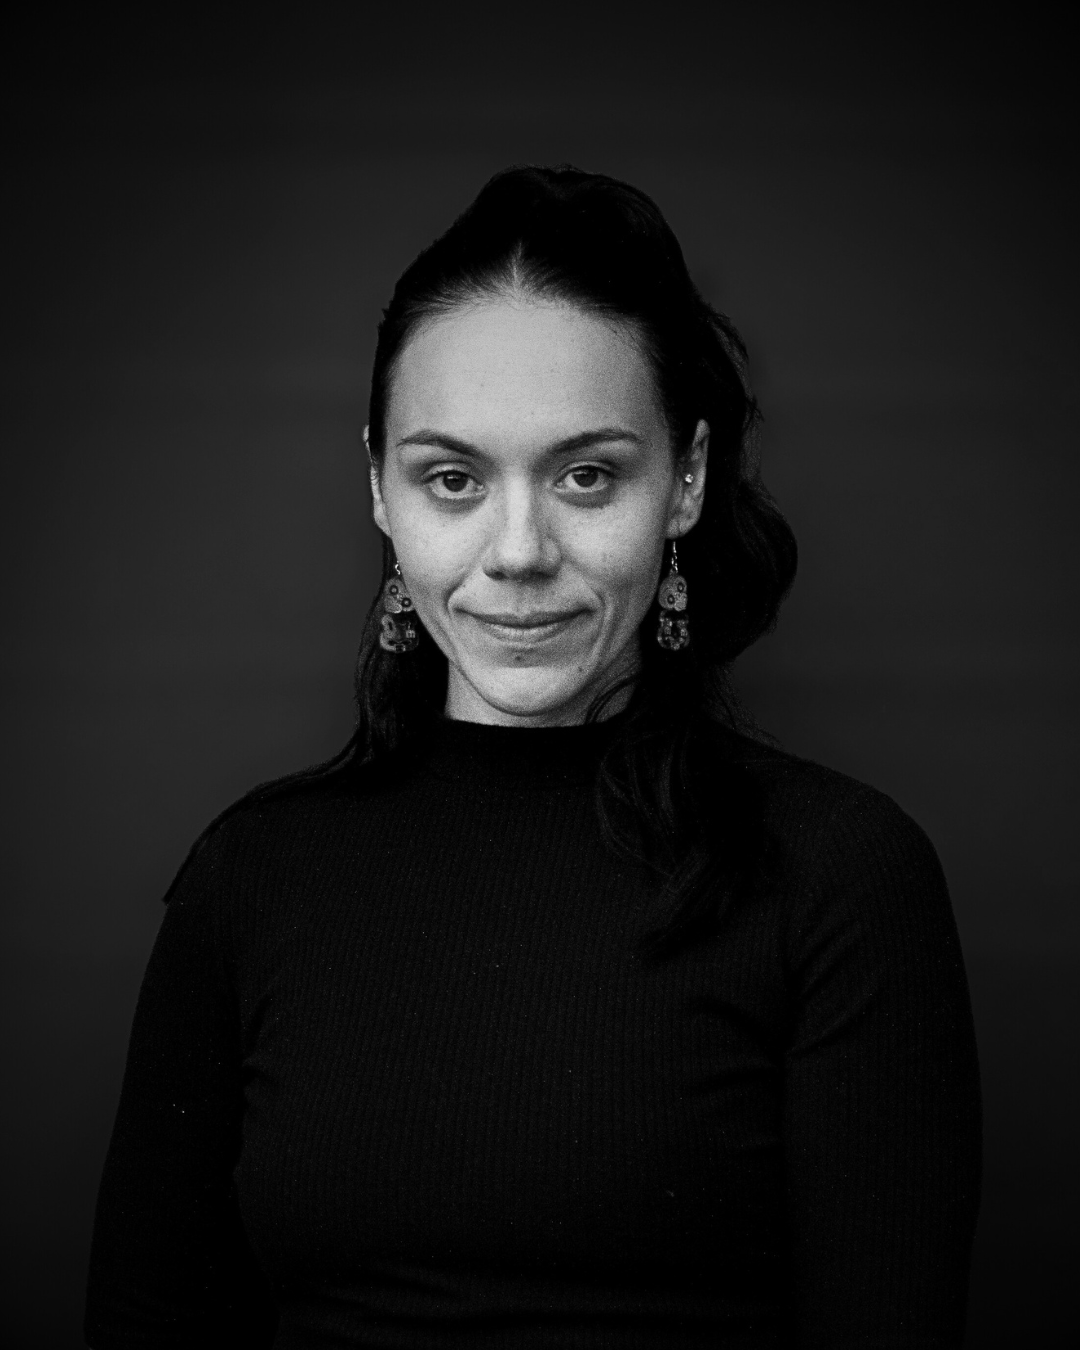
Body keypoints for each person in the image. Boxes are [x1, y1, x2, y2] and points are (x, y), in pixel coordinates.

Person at [84, 164, 981, 1349]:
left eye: (586, 475)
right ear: (378, 488)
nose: (518, 551)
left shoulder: (840, 878)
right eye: (452, 479)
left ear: (688, 481)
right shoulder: (250, 877)